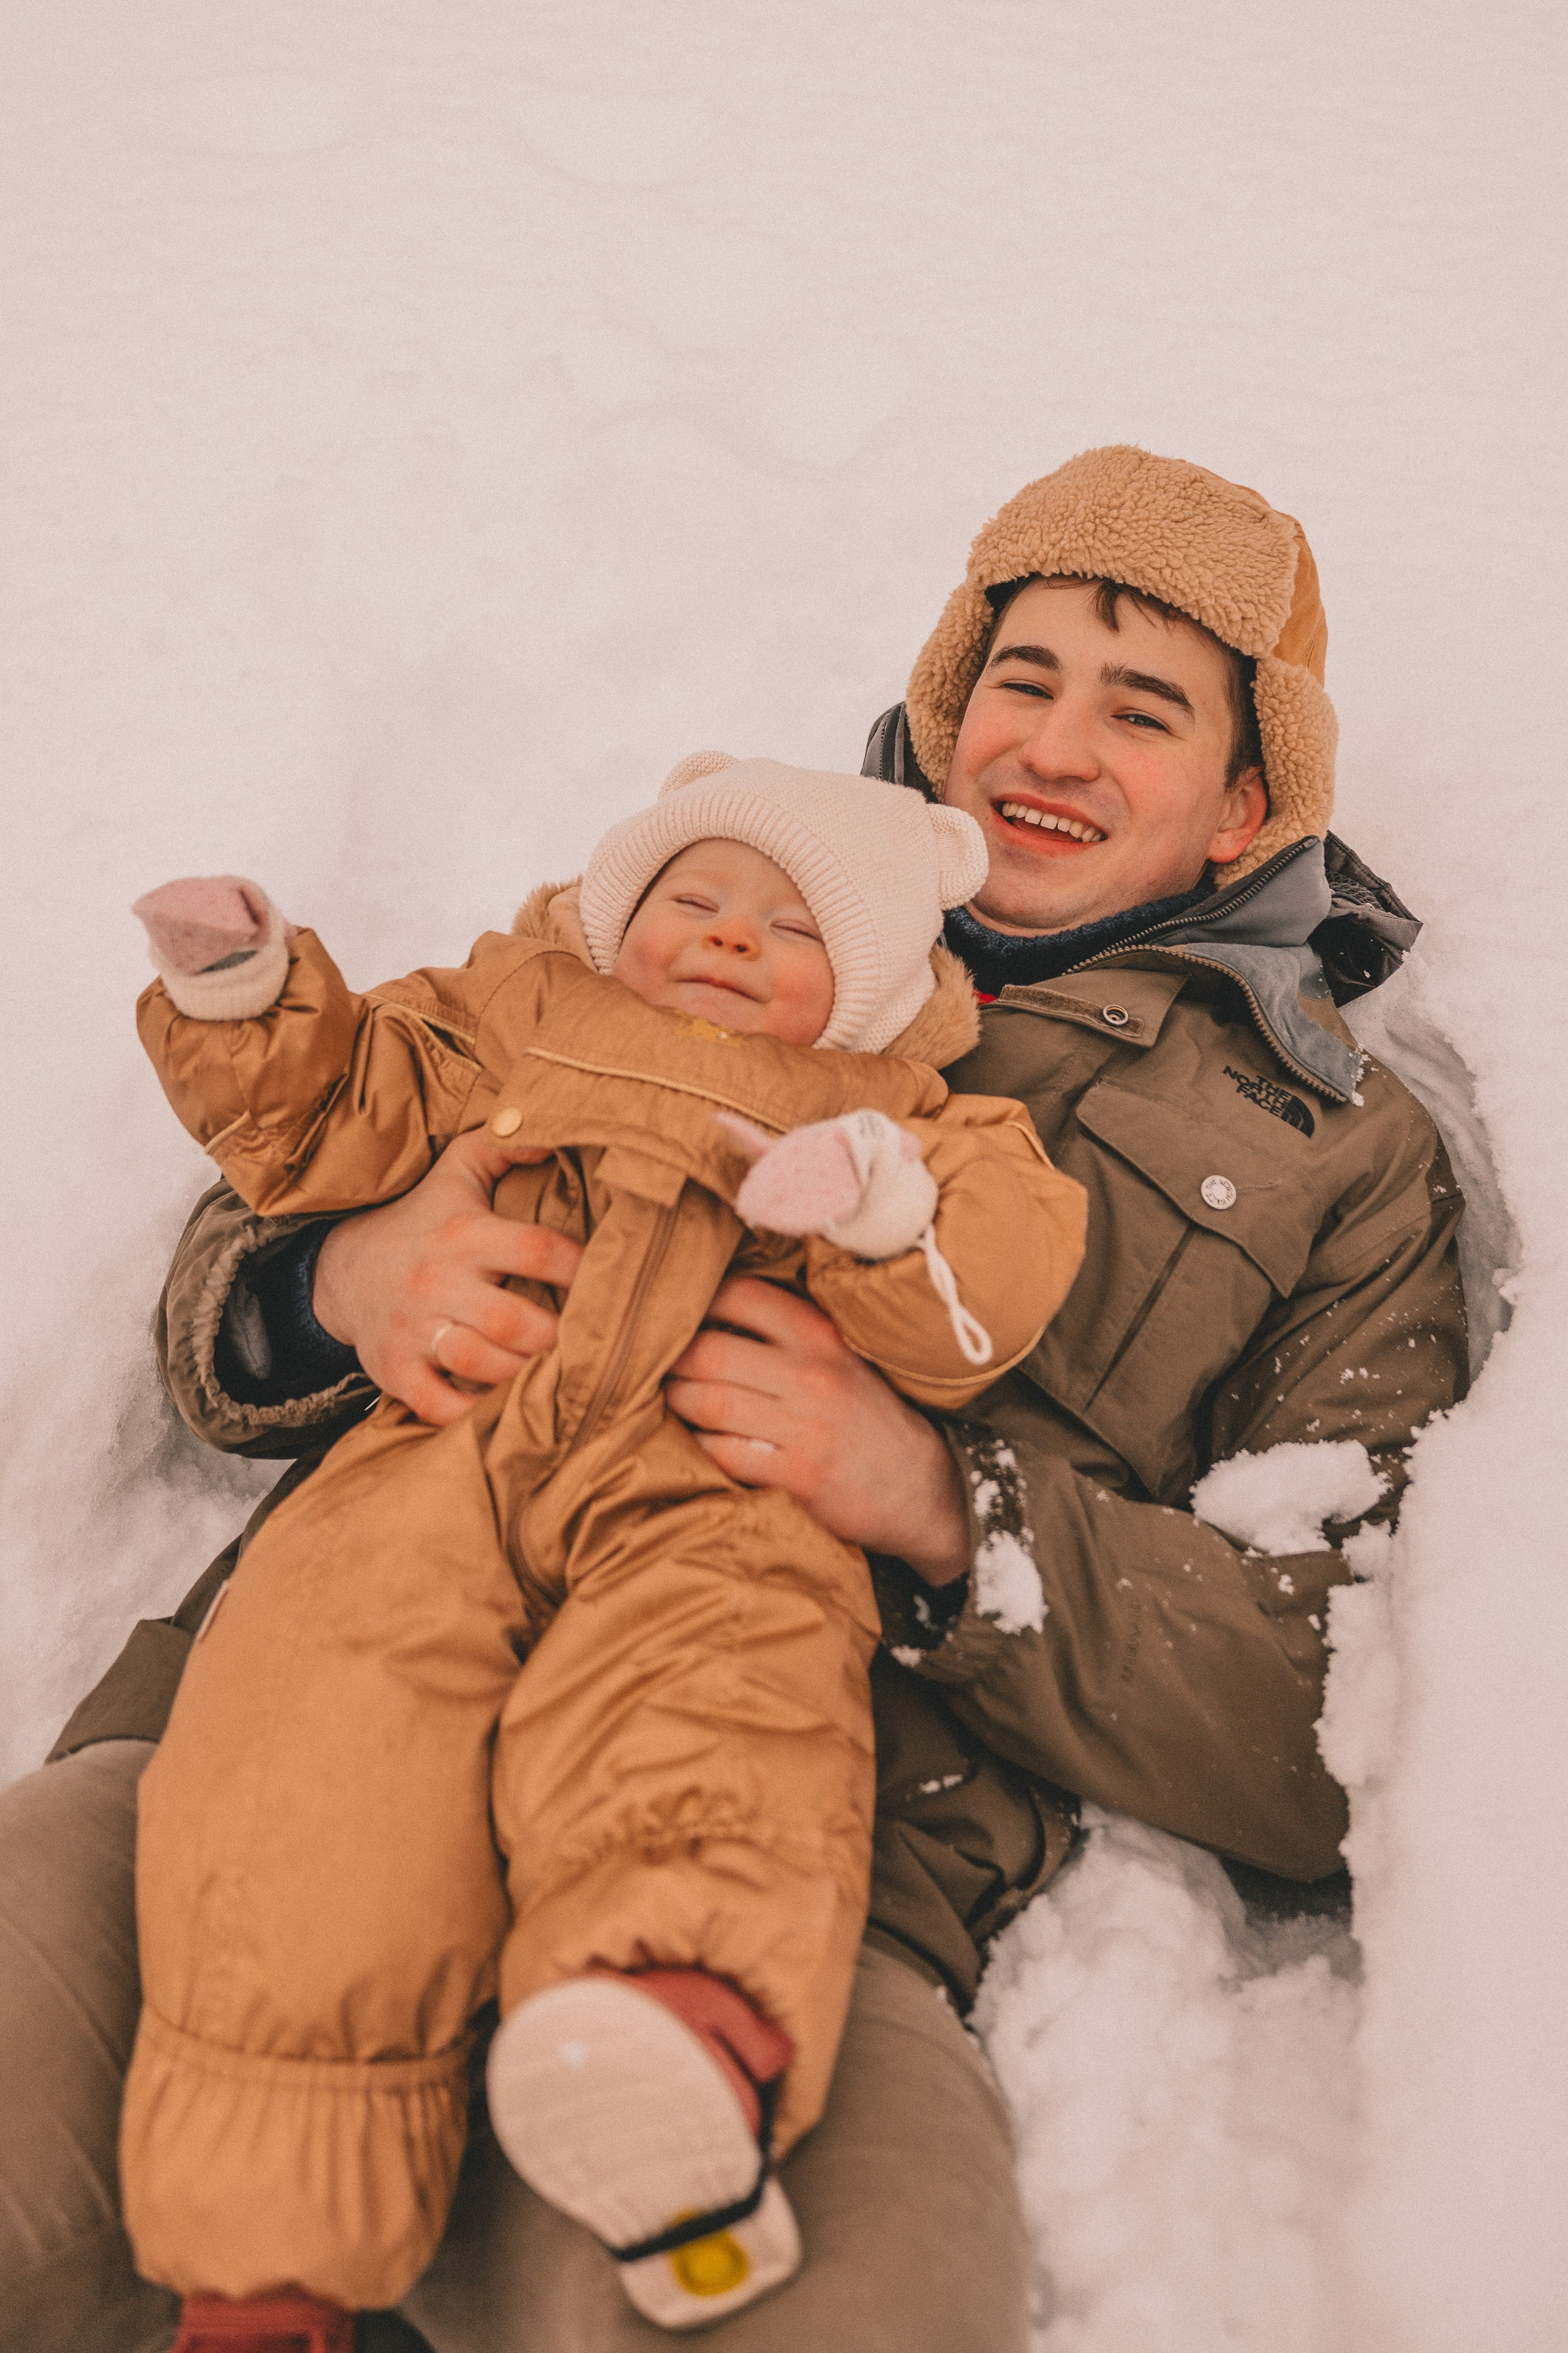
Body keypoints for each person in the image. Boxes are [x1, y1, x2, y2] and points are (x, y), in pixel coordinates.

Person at [0, 444, 1469, 2353]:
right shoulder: (723, 896)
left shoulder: (1333, 1158)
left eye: (1144, 707)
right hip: (267, 1761)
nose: (1056, 741)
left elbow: (1336, 1711)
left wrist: (951, 1519)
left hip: (780, 1911)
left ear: (1244, 803)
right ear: (948, 712)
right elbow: (301, 1166)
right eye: (1021, 677)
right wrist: (344, 1280)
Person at [119, 754, 1085, 2348]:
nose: (722, 936)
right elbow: (343, 1112)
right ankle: (263, 2262)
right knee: (310, 1742)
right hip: (455, 1429)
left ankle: (672, 2021)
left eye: (789, 926)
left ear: (871, 982)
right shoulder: (513, 1005)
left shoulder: (902, 1106)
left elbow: (988, 1272)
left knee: (711, 1699)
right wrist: (248, 997)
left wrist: (875, 1207)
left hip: (713, 1476)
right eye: (691, 897)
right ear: (619, 906)